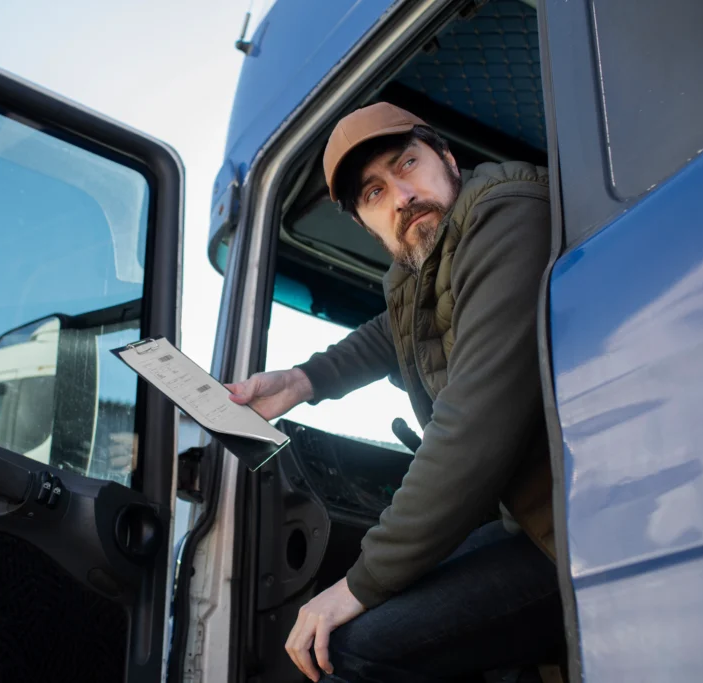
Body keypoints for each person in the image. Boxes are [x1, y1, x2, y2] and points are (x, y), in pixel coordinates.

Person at [226, 103, 562, 682]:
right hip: (537, 523)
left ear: (448, 158)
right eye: (375, 193)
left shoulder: (505, 213)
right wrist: (303, 381)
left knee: (351, 644)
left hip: (585, 527)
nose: (402, 196)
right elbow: (393, 328)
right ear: (365, 223)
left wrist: (360, 583)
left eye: (408, 163)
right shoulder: (422, 269)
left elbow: (472, 428)